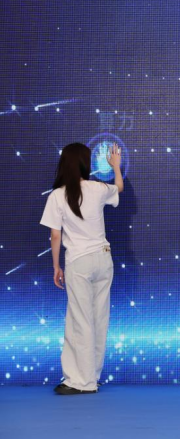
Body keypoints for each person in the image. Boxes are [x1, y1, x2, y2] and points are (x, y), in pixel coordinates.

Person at [40, 142, 123, 395]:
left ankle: (80, 381)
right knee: (99, 318)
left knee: (80, 320)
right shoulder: (97, 188)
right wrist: (116, 167)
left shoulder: (57, 195)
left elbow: (56, 235)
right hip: (103, 259)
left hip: (79, 262)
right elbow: (119, 188)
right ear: (86, 164)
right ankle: (92, 376)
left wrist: (56, 266)